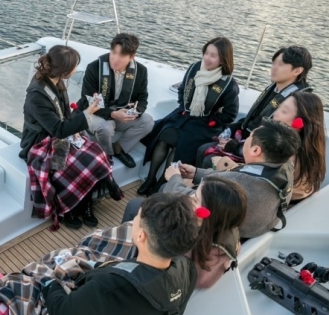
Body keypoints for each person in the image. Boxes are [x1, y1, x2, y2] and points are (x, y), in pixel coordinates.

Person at [42, 193, 199, 315]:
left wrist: (51, 283)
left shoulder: (105, 289)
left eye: (137, 217)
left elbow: (59, 314)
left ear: (140, 236)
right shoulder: (188, 270)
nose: (134, 220)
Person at [20, 45, 123, 230]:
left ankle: (87, 201)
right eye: (74, 66)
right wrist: (88, 113)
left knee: (97, 153)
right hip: (40, 142)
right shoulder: (36, 95)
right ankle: (69, 208)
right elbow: (58, 130)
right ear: (65, 71)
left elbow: (65, 115)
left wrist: (76, 130)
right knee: (76, 162)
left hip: (61, 134)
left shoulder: (56, 81)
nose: (76, 69)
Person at [139, 37, 239, 195]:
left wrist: (212, 122)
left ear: (223, 59)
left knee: (181, 145)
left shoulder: (229, 85)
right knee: (163, 136)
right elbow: (182, 90)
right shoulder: (195, 68)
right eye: (206, 53)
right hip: (184, 114)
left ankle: (161, 184)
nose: (207, 58)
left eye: (213, 55)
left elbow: (230, 114)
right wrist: (183, 105)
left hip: (205, 123)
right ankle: (150, 178)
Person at [179, 120, 301, 239]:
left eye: (249, 136)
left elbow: (197, 197)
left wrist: (174, 178)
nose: (246, 140)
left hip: (237, 234)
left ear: (256, 150)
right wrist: (196, 173)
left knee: (171, 189)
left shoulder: (232, 182)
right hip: (263, 224)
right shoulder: (286, 166)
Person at [196, 46, 313, 169]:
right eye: (274, 63)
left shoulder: (297, 102)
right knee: (202, 146)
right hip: (248, 140)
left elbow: (275, 143)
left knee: (209, 158)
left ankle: (203, 186)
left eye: (281, 64)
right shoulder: (275, 89)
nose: (274, 67)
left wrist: (234, 146)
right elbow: (254, 120)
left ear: (297, 71)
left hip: (263, 154)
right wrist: (231, 129)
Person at [122, 175, 247, 288]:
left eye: (195, 199)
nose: (189, 197)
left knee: (134, 206)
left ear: (209, 214)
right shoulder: (225, 228)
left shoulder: (186, 243)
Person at [76, 33, 153, 168]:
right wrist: (112, 115)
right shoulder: (94, 68)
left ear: (132, 57)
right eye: (114, 52)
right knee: (105, 128)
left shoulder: (141, 71)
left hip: (121, 112)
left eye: (122, 55)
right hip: (95, 112)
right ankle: (106, 154)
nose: (115, 59)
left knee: (147, 122)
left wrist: (135, 112)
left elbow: (142, 99)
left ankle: (119, 149)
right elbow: (86, 101)